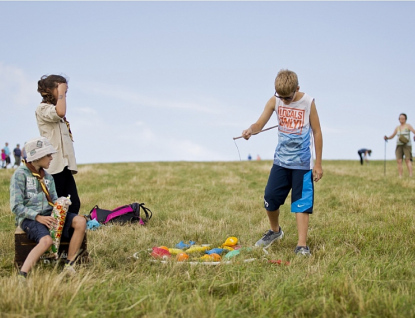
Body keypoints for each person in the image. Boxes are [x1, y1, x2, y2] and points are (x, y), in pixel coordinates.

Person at [242, 69, 323, 256]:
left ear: (297, 88)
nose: (284, 100)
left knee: (301, 204)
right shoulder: (274, 100)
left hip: (302, 164)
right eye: (281, 97)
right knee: (270, 198)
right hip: (281, 161)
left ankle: (302, 245)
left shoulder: (308, 103)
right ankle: (275, 231)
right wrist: (250, 130)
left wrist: (318, 163)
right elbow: (259, 124)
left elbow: (317, 132)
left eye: (288, 97)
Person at [10, 137, 86, 279]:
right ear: (38, 156)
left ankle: (69, 265)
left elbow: (53, 200)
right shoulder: (20, 175)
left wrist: (61, 204)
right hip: (31, 218)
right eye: (48, 155)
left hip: (50, 215)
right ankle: (22, 275)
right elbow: (16, 206)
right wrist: (38, 217)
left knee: (80, 222)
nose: (51, 158)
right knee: (46, 241)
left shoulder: (49, 177)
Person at [35, 75, 80, 214]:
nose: (64, 94)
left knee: (74, 204)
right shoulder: (43, 109)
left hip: (64, 164)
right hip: (53, 167)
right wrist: (61, 92)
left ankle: (69, 232)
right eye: (60, 89)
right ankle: (53, 233)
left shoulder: (57, 113)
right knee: (55, 205)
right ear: (49, 90)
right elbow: (59, 112)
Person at [384, 113, 415, 177]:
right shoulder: (397, 127)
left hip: (407, 145)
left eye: (403, 118)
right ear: (399, 119)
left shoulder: (408, 126)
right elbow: (393, 135)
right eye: (400, 118)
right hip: (399, 145)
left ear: (405, 119)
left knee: (407, 160)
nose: (402, 119)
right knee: (399, 160)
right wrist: (387, 138)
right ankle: (400, 175)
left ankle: (410, 175)